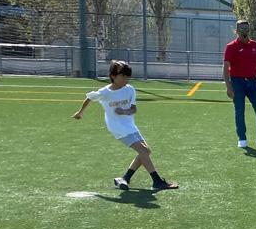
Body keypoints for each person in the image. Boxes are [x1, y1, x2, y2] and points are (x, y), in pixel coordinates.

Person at [72, 60, 178, 190]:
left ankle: (125, 178)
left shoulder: (130, 90)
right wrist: (80, 112)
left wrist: (125, 111)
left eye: (127, 76)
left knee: (146, 151)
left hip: (129, 125)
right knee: (143, 151)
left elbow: (133, 109)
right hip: (117, 127)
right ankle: (157, 181)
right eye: (123, 76)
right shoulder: (105, 92)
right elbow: (89, 97)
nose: (126, 79)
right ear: (113, 76)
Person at [223, 19, 256, 149]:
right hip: (237, 82)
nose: (244, 30)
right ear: (236, 30)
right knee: (239, 111)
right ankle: (242, 139)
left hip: (253, 82)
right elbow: (225, 68)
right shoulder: (231, 47)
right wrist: (228, 87)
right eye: (241, 28)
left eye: (246, 28)